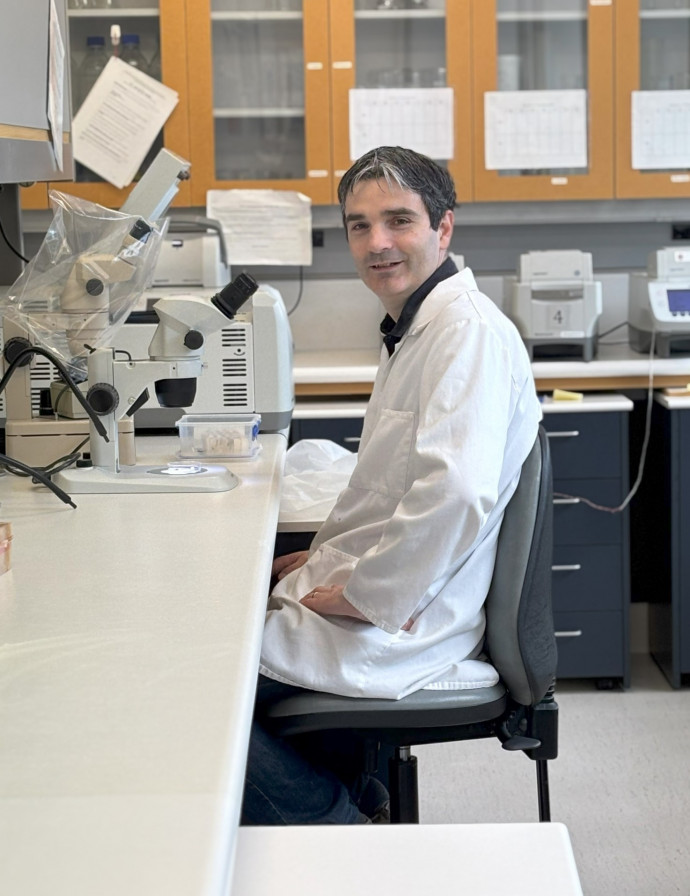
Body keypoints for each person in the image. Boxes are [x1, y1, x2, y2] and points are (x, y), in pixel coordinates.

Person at [241, 146, 541, 825]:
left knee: (203, 687)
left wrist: (366, 594)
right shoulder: (418, 327)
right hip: (403, 593)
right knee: (231, 644)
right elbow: (392, 485)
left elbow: (455, 493)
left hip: (412, 618)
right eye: (360, 225)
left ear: (443, 227)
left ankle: (336, 825)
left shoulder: (467, 335)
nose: (377, 242)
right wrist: (326, 554)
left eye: (398, 220)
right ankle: (359, 798)